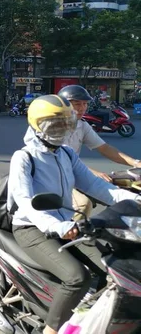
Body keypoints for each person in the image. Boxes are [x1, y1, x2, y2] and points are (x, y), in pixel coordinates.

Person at [8, 94, 140, 334]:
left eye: (64, 124)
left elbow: (99, 187)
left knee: (109, 269)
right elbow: (25, 202)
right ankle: (50, 330)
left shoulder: (66, 154)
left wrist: (136, 199)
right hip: (32, 228)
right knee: (78, 277)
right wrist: (57, 226)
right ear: (37, 125)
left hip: (66, 225)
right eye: (53, 124)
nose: (60, 130)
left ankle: (83, 321)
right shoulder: (24, 157)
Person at [57, 85, 141, 216]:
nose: (82, 108)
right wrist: (92, 172)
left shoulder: (82, 125)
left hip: (76, 173)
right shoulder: (51, 127)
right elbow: (60, 158)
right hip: (57, 176)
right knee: (82, 205)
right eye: (77, 104)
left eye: (84, 104)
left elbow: (104, 148)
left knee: (127, 187)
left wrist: (135, 163)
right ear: (63, 105)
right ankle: (68, 234)